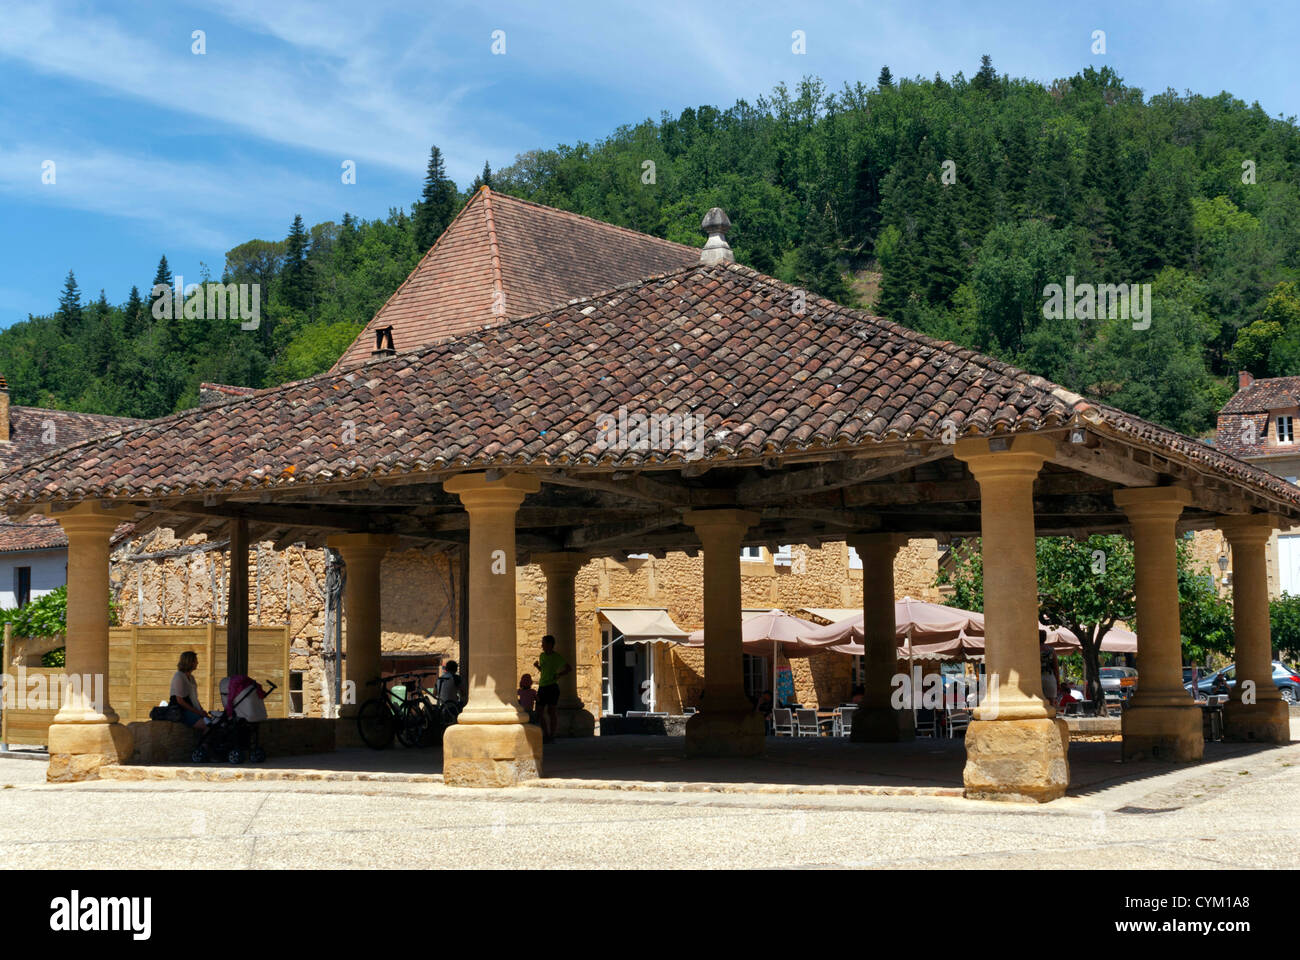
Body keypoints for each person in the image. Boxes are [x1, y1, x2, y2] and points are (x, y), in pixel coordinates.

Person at [533, 634, 571, 744]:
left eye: (543, 643)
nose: (542, 646)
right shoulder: (542, 656)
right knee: (539, 712)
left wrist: (559, 674)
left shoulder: (557, 657)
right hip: (542, 687)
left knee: (551, 712)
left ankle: (552, 736)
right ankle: (546, 734)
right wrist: (537, 667)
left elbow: (569, 668)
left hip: (552, 687)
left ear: (550, 644)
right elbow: (543, 670)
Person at [170, 650, 207, 731]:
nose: (197, 663)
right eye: (195, 661)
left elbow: (194, 698)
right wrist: (198, 712)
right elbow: (180, 701)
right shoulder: (179, 677)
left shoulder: (191, 678)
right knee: (206, 725)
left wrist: (201, 710)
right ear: (190, 662)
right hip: (180, 710)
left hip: (190, 709)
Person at [1039, 630, 1059, 703]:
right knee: (1051, 702)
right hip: (1049, 677)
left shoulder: (1032, 650)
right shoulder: (1051, 650)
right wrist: (1058, 682)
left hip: (1036, 678)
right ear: (1045, 638)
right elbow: (1056, 668)